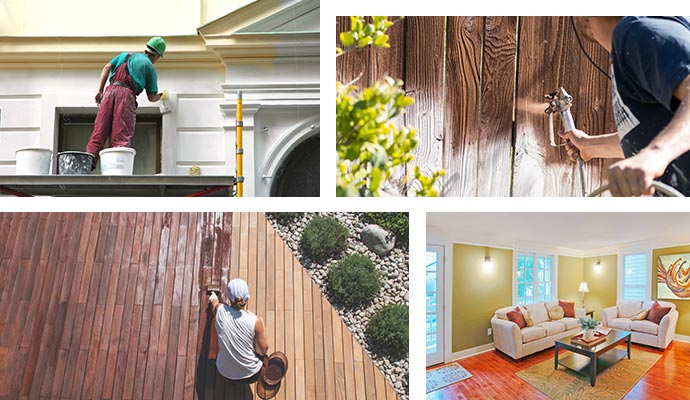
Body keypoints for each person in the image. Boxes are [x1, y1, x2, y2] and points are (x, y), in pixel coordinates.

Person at [560, 17, 690, 196]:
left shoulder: (638, 32)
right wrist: (589, 146)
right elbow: (657, 134)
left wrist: (654, 156)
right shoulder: (637, 42)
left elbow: (654, 152)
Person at [85, 36, 167, 168]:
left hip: (109, 92)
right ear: (156, 55)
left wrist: (100, 91)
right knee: (121, 136)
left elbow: (107, 67)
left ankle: (86, 166)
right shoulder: (149, 67)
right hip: (126, 96)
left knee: (99, 133)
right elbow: (151, 97)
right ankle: (116, 171)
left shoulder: (125, 55)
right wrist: (161, 96)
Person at [210, 278, 269, 385]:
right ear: (247, 298)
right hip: (252, 375)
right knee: (265, 357)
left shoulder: (220, 311)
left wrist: (214, 297)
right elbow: (263, 351)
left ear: (229, 298)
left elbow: (214, 305)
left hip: (225, 373)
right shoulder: (256, 321)